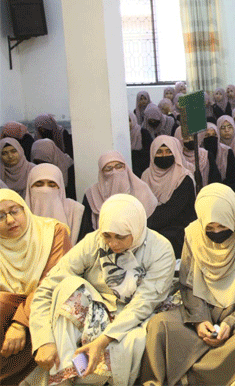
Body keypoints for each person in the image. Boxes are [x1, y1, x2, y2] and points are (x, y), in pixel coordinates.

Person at [29, 194, 175, 386]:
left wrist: (103, 340)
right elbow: (48, 286)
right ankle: (64, 372)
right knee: (65, 287)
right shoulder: (94, 241)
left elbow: (143, 305)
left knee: (128, 344)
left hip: (136, 316)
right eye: (107, 236)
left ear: (137, 229)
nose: (113, 244)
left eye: (120, 237)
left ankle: (69, 375)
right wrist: (43, 340)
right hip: (99, 308)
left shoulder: (161, 250)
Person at [141, 184, 235, 386]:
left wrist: (231, 322)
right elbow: (188, 283)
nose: (217, 232)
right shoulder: (194, 234)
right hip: (204, 310)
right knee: (159, 324)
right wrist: (199, 320)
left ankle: (191, 377)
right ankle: (233, 375)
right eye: (210, 228)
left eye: (223, 227)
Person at [0, 189, 70, 386]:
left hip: (48, 304)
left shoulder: (52, 231)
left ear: (25, 208)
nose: (10, 221)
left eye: (15, 211)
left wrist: (20, 323)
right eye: (0, 216)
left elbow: (51, 281)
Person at [80, 151, 158, 242]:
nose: (114, 172)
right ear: (101, 173)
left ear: (126, 167)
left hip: (138, 244)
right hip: (103, 245)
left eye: (119, 166)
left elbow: (150, 227)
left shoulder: (142, 190)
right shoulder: (92, 194)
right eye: (108, 169)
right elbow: (86, 229)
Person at [141, 135, 197, 257]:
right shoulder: (146, 176)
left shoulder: (183, 178)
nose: (164, 155)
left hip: (179, 225)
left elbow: (172, 210)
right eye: (159, 152)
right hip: (153, 222)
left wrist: (145, 223)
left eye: (168, 151)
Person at [25, 164, 84, 247]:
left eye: (52, 185)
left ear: (61, 188)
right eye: (39, 185)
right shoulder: (19, 215)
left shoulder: (76, 212)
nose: (45, 190)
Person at [129, 113, 149, 177]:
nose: (128, 123)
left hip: (142, 169)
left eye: (129, 120)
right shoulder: (120, 136)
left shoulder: (143, 132)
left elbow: (148, 151)